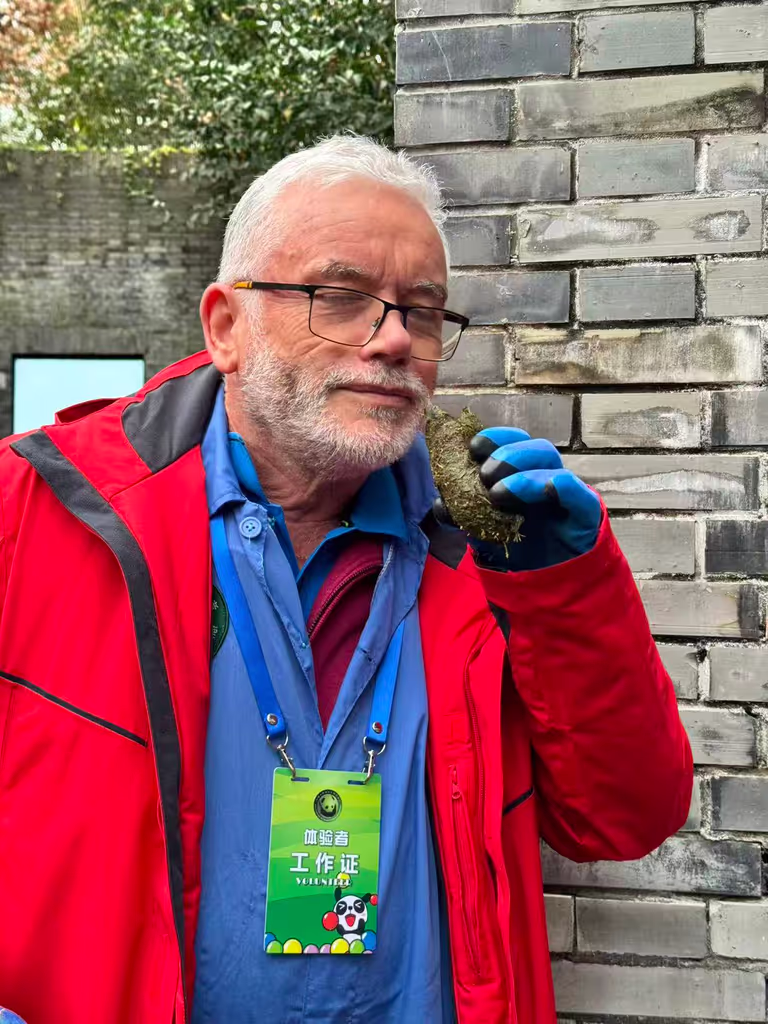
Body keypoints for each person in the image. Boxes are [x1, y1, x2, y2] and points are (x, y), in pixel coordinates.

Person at [0, 135, 692, 1024]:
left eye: (423, 310)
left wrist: (564, 586)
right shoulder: (40, 515)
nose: (397, 336)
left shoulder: (485, 551)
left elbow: (624, 818)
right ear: (225, 327)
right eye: (341, 297)